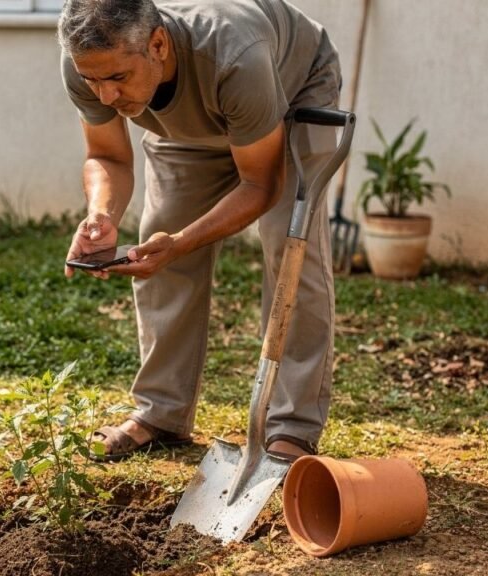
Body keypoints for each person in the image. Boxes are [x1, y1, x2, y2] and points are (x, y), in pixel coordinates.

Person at [59, 0, 342, 462]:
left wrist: (183, 244)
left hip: (291, 92)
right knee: (157, 232)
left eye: (117, 79)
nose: (105, 96)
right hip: (194, 126)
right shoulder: (89, 62)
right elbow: (107, 157)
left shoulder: (235, 54)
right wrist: (102, 214)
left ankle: (291, 427)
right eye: (93, 81)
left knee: (292, 250)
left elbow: (260, 184)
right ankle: (161, 413)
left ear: (157, 44)